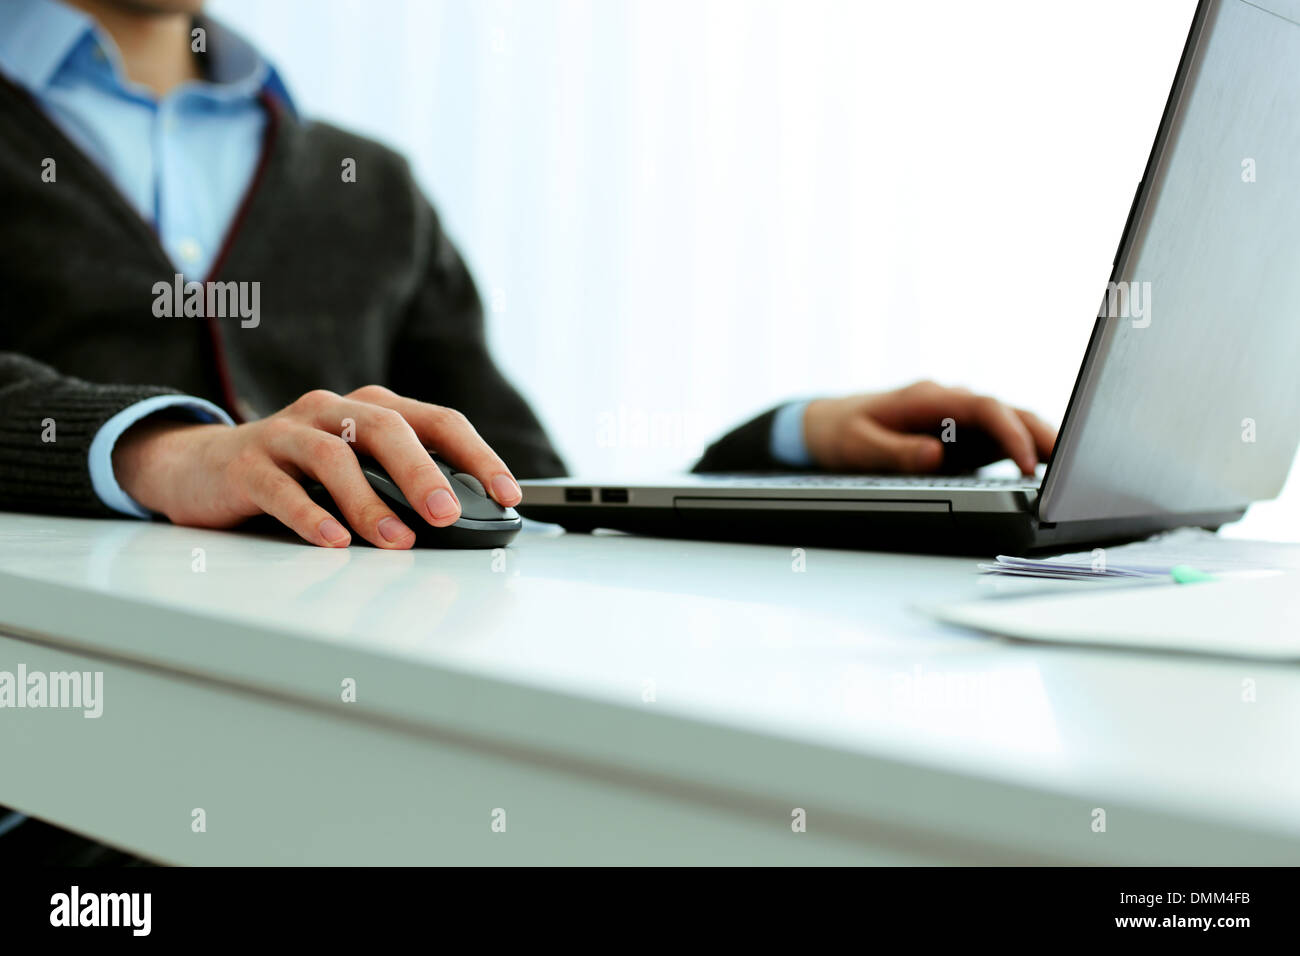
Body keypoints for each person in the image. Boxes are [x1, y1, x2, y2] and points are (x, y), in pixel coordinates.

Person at [0, 0, 1055, 861]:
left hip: (340, 763)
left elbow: (523, 489)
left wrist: (790, 442)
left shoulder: (370, 185)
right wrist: (169, 449)